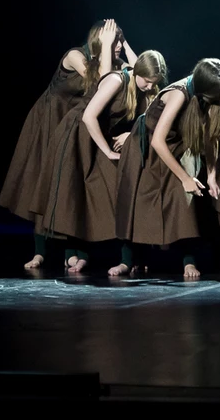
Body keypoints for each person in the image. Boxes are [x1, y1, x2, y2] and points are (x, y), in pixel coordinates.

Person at [41, 21, 168, 272]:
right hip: (78, 133)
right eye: (147, 82)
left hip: (97, 133)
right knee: (75, 192)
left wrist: (125, 43)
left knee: (113, 193)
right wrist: (107, 151)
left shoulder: (132, 73)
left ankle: (128, 257)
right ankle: (76, 253)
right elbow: (90, 114)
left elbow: (142, 69)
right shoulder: (114, 77)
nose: (150, 87)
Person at [0, 20, 110, 269]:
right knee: (43, 183)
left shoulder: (107, 60)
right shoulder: (74, 55)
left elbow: (134, 69)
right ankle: (40, 251)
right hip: (49, 121)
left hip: (73, 124)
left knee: (71, 183)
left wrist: (120, 47)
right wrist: (108, 45)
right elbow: (99, 81)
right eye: (114, 41)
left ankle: (70, 252)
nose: (118, 46)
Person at [112, 59, 220, 278]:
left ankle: (189, 261)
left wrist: (212, 175)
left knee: (183, 200)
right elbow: (158, 140)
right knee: (137, 202)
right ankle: (127, 260)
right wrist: (185, 178)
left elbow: (210, 137)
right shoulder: (179, 94)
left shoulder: (209, 98)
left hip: (176, 146)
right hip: (147, 145)